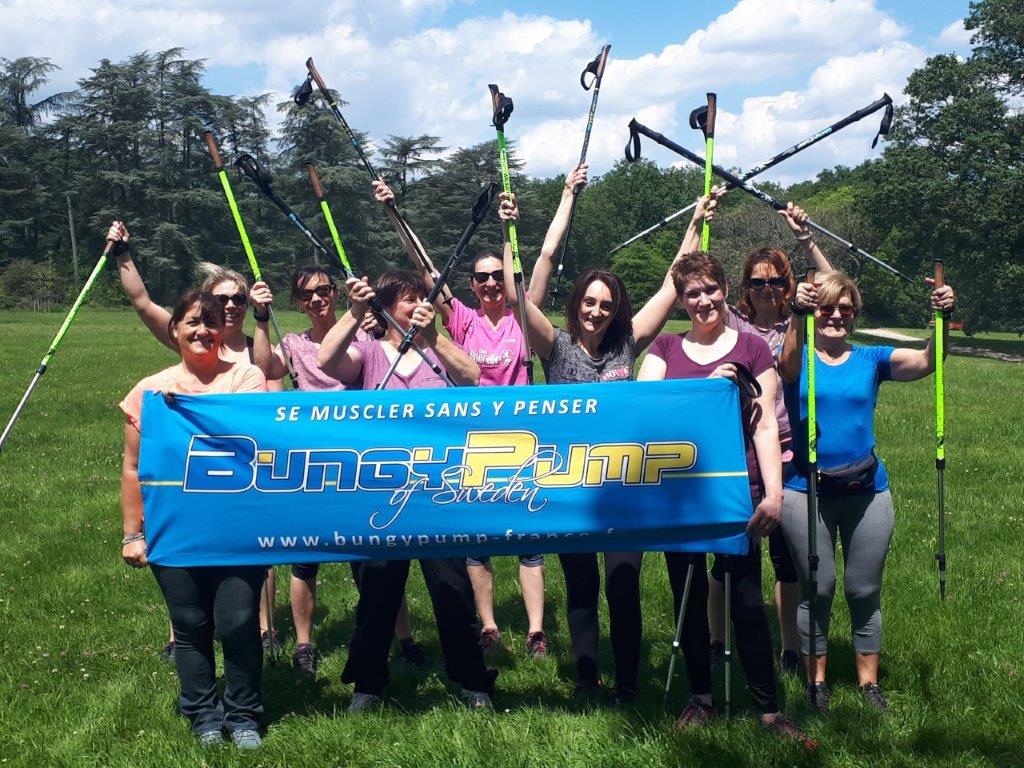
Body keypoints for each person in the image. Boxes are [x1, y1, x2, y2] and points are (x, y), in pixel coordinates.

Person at [500, 187, 681, 704]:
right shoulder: (554, 347)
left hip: (621, 487)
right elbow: (515, 295)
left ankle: (627, 683)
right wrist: (508, 233)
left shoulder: (627, 345)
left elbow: (673, 285)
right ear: (576, 303)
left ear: (616, 310)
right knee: (581, 588)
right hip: (567, 488)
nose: (596, 312)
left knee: (623, 587)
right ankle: (585, 677)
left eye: (606, 304)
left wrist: (696, 221)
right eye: (589, 302)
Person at [371, 176, 565, 658]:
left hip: (523, 438)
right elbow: (427, 269)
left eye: (497, 275)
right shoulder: (460, 318)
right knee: (477, 538)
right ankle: (489, 626)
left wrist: (508, 229)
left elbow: (537, 263)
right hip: (472, 442)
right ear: (472, 286)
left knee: (528, 538)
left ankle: (536, 630)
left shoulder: (523, 316)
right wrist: (394, 213)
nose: (491, 283)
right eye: (482, 278)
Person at [636, 251, 813, 747]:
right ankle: (701, 698)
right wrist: (705, 391)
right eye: (692, 293)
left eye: (711, 289)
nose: (704, 300)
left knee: (747, 603)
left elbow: (765, 426)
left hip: (738, 494)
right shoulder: (665, 348)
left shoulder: (753, 349)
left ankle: (769, 711)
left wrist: (773, 496)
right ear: (681, 300)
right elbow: (646, 411)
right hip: (679, 497)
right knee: (688, 597)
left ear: (724, 291)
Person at [317, 270, 497, 711]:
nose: (418, 304)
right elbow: (326, 360)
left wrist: (433, 337)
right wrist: (353, 311)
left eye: (421, 297)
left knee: (453, 590)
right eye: (407, 299)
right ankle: (368, 684)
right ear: (384, 306)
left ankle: (472, 680)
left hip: (438, 493)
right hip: (382, 495)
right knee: (378, 594)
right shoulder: (369, 352)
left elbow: (471, 375)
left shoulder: (436, 347)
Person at [778, 269, 955, 713]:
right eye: (826, 308)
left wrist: (942, 318)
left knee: (863, 590)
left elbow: (929, 361)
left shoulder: (871, 359)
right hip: (806, 491)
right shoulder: (799, 358)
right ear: (814, 313)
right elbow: (785, 365)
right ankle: (816, 683)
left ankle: (868, 684)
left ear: (855, 314)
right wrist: (797, 313)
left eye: (845, 308)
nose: (836, 315)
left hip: (867, 491)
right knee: (817, 588)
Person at [106, 221, 282, 660]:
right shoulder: (196, 339)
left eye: (239, 299)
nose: (229, 306)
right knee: (184, 568)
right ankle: (180, 632)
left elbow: (269, 382)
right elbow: (143, 303)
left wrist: (263, 319)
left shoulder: (249, 352)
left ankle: (263, 626)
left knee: (249, 572)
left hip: (240, 485)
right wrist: (123, 254)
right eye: (220, 299)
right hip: (188, 483)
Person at [680, 192, 833, 674]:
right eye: (757, 282)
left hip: (789, 448)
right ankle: (716, 640)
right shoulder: (734, 321)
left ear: (788, 285)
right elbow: (696, 283)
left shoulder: (802, 318)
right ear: (744, 286)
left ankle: (788, 648)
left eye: (777, 281)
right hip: (737, 449)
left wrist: (806, 240)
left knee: (787, 559)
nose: (767, 289)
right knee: (728, 555)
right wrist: (699, 222)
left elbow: (834, 288)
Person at [248, 267, 426, 675]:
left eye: (323, 290)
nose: (316, 299)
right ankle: (304, 645)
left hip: (361, 459)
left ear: (335, 293)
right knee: (305, 559)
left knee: (376, 559)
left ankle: (404, 639)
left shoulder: (364, 335)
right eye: (306, 294)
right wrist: (260, 318)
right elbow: (265, 369)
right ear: (298, 303)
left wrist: (368, 312)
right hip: (314, 462)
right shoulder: (293, 343)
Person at [119, 289, 268, 749]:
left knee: (238, 621)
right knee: (189, 625)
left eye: (211, 322)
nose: (203, 331)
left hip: (238, 528)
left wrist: (186, 409)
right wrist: (132, 534)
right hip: (174, 529)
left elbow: (249, 434)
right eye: (192, 322)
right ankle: (203, 715)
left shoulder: (246, 376)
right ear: (175, 330)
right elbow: (132, 467)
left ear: (223, 329)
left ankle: (244, 715)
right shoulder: (150, 391)